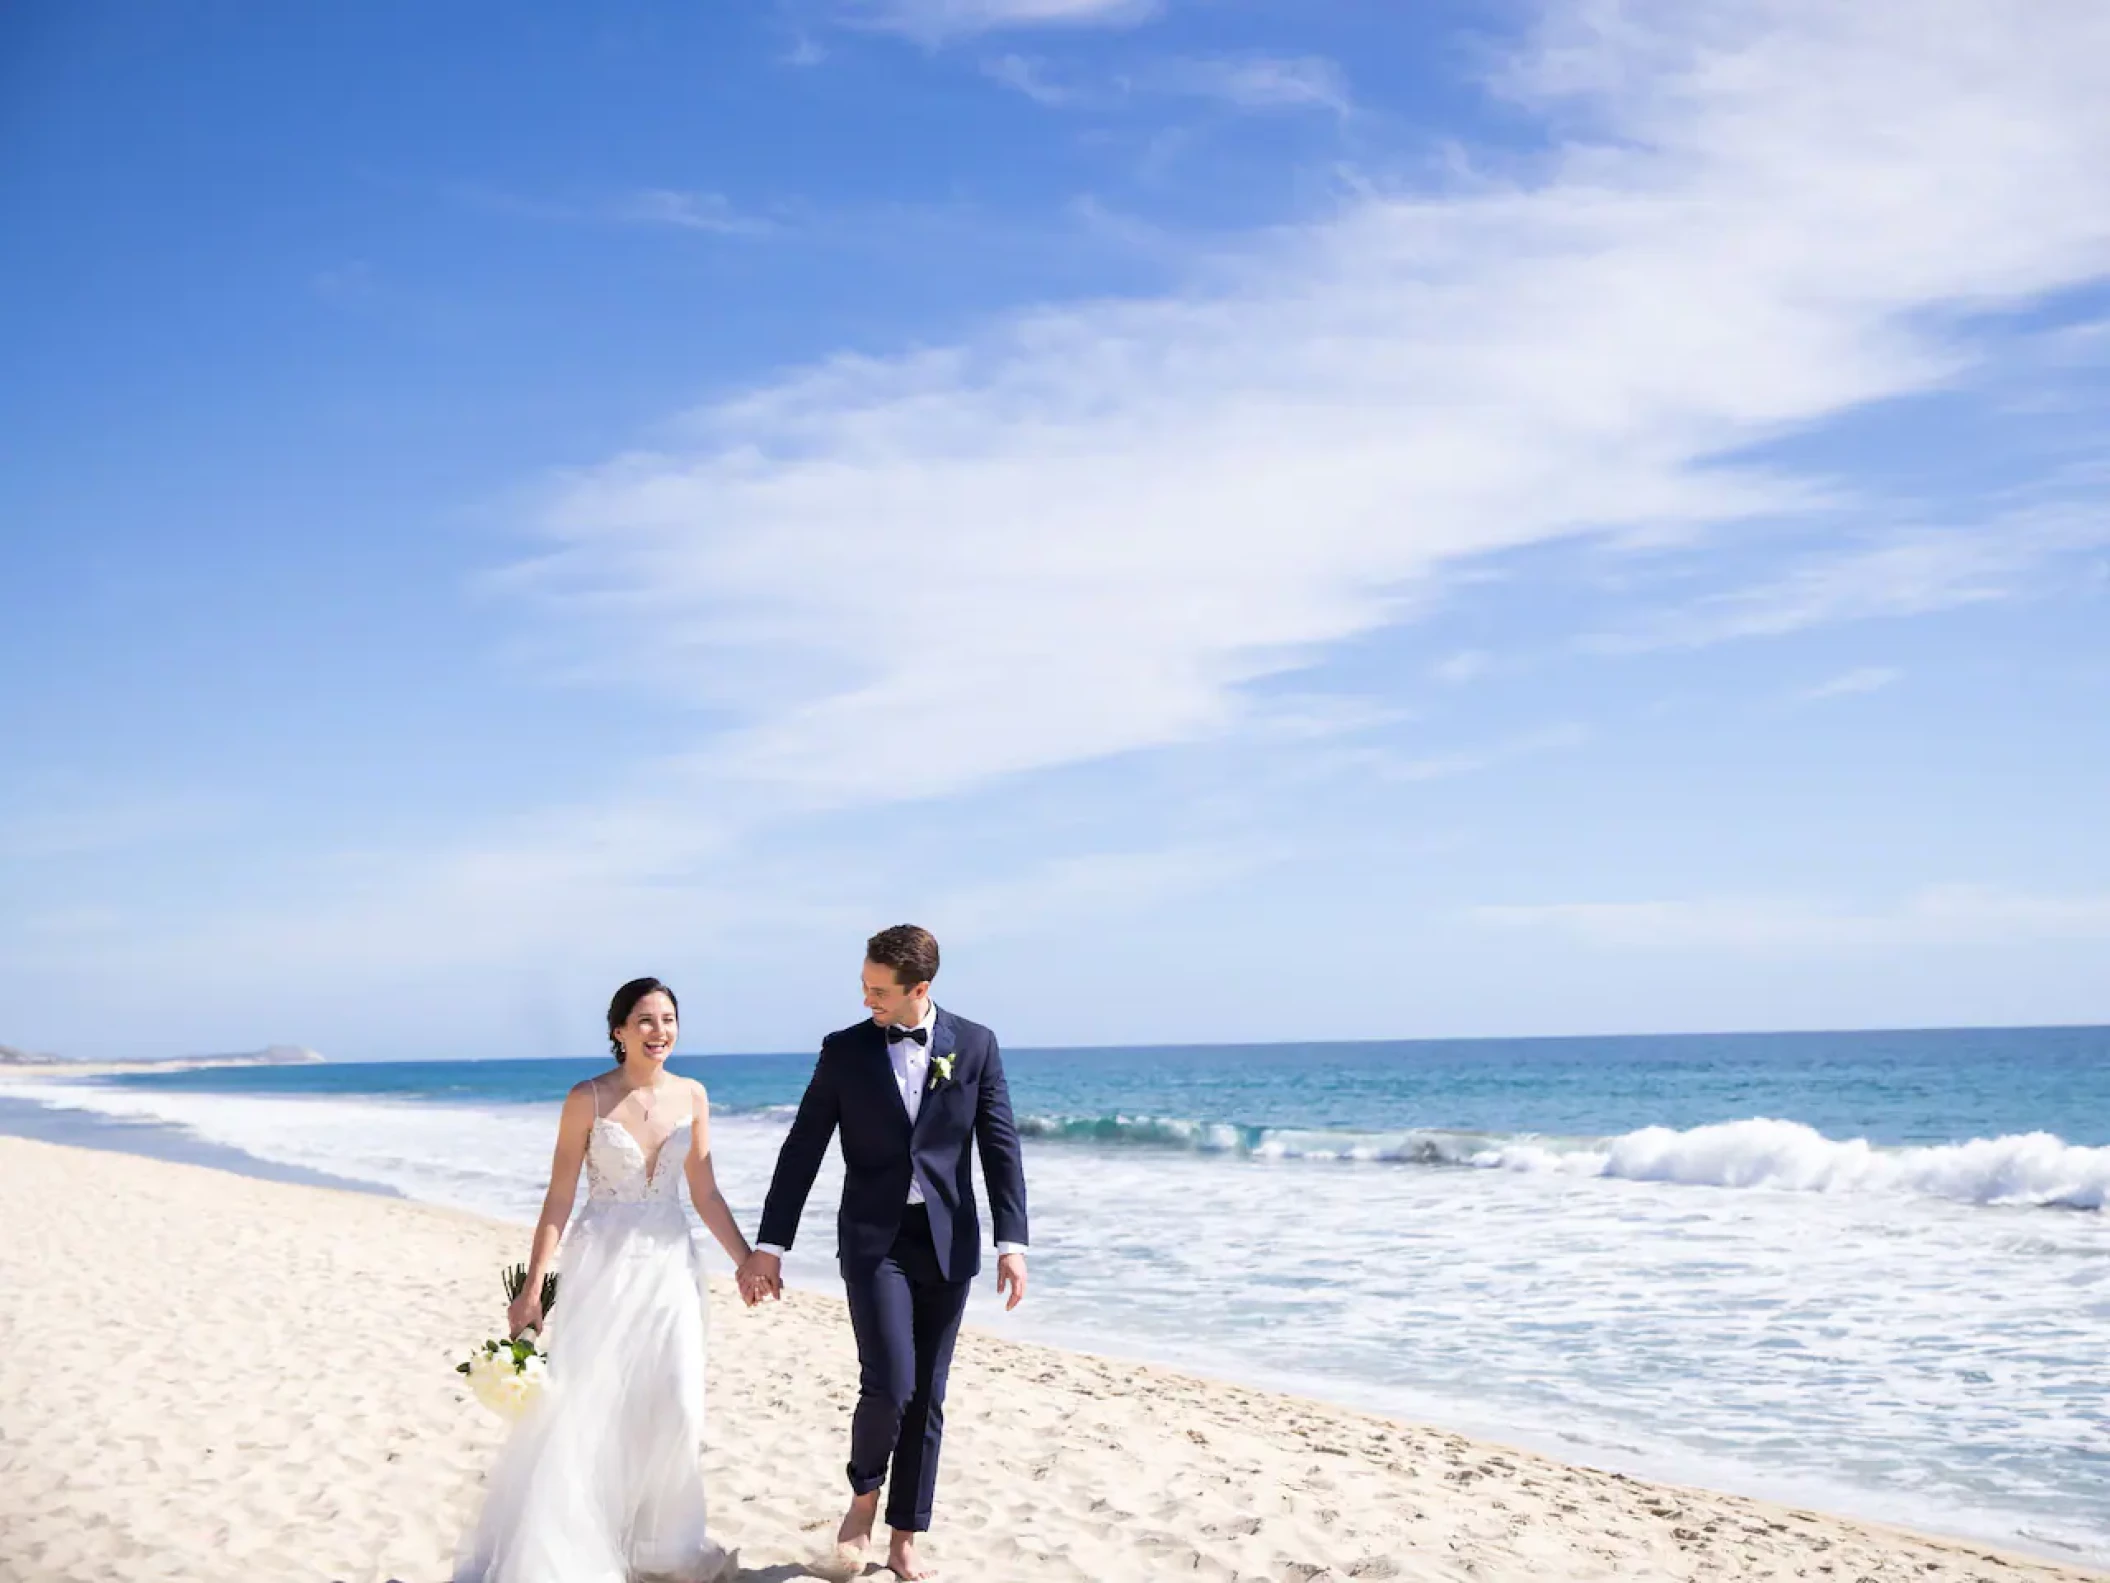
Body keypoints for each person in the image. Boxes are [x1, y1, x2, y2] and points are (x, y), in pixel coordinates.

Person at [738, 925, 1030, 1582]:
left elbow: (1000, 1144)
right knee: (890, 1381)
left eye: (879, 990)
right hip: (875, 1239)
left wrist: (1013, 1243)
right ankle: (862, 1497)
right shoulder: (844, 1050)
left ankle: (905, 1536)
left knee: (928, 1393)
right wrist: (770, 1245)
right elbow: (803, 1145)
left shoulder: (975, 1044)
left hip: (948, 1240)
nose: (867, 998)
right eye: (864, 985)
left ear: (918, 989)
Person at [453, 977, 748, 1583]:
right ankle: (570, 1547)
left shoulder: (693, 1094)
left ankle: (661, 1548)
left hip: (670, 1268)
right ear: (618, 1030)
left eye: (668, 1019)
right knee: (591, 1406)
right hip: (603, 1266)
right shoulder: (586, 1098)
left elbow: (705, 1190)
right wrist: (532, 1287)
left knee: (674, 1403)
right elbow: (560, 1196)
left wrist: (746, 1260)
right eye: (644, 1020)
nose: (658, 1031)